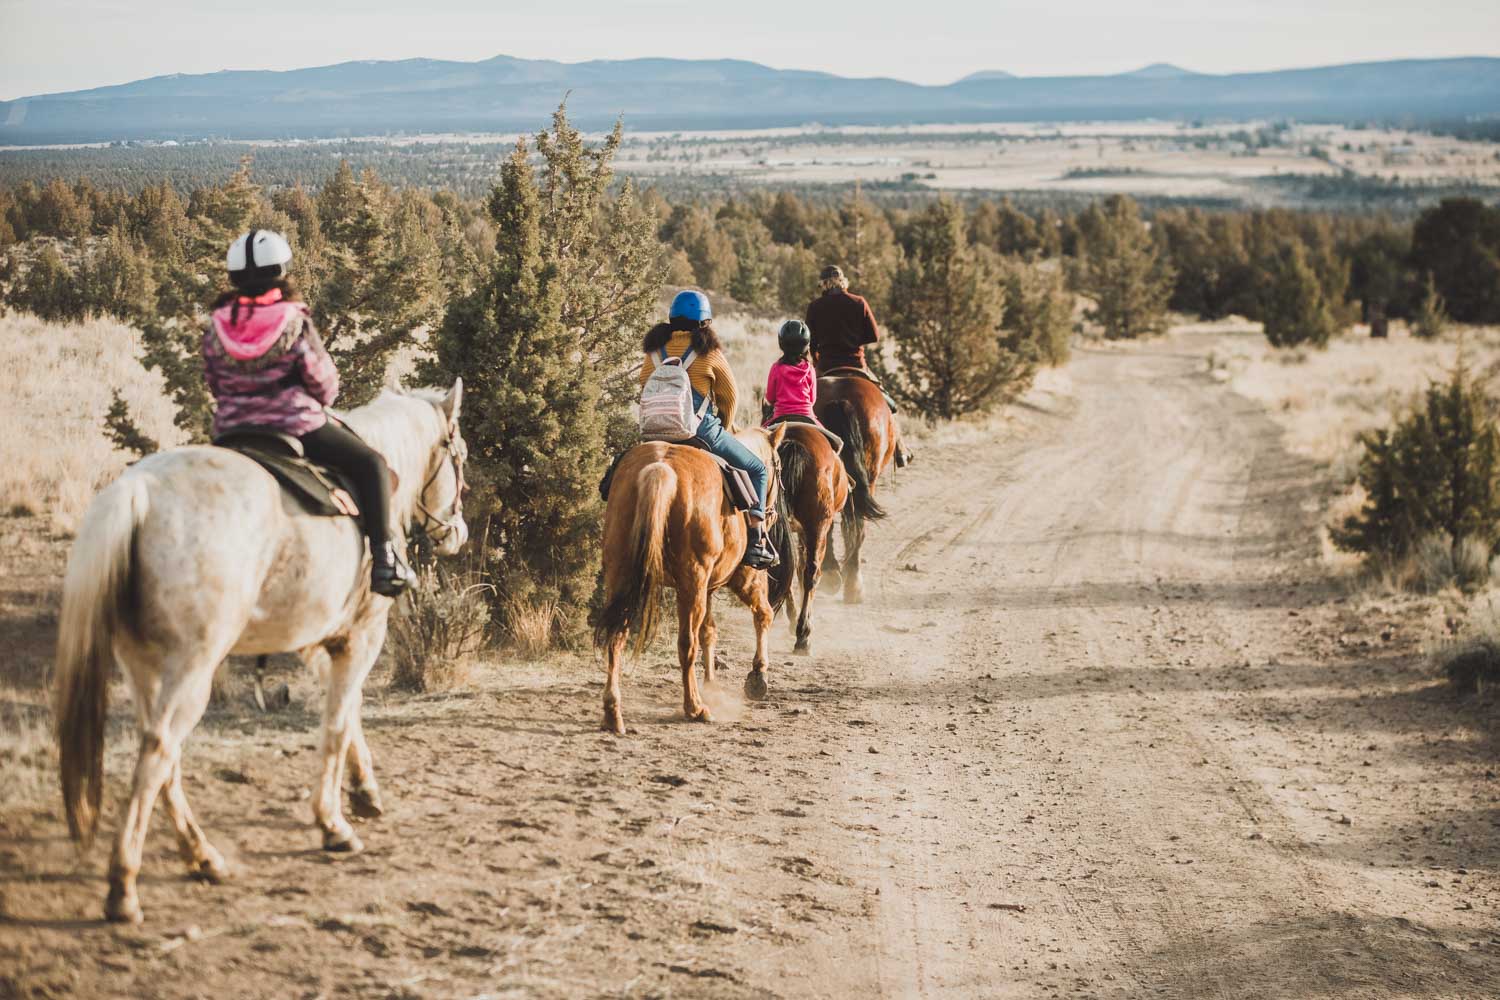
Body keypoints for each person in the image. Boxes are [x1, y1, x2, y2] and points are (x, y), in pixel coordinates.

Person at [203, 229, 414, 597]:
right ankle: (385, 560)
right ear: (281, 271)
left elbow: (214, 383)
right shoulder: (293, 320)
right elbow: (324, 385)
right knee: (371, 465)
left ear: (234, 277)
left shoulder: (219, 322)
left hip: (232, 431)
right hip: (295, 427)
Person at [640, 290, 778, 569]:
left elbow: (644, 386)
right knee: (758, 469)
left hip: (653, 432)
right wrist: (723, 427)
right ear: (705, 322)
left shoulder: (654, 351)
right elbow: (730, 397)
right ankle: (755, 542)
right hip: (699, 432)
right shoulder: (708, 352)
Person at [804, 264, 912, 466]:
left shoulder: (816, 307)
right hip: (856, 364)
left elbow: (810, 341)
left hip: (826, 365)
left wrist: (817, 355)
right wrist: (853, 339)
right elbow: (874, 335)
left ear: (824, 284)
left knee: (805, 402)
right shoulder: (859, 302)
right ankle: (901, 449)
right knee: (888, 402)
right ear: (844, 281)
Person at [762, 320, 842, 452]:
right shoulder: (810, 369)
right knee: (834, 445)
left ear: (781, 343)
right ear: (806, 345)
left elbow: (770, 398)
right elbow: (812, 399)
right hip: (807, 416)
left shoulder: (776, 368)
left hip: (780, 416)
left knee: (758, 446)